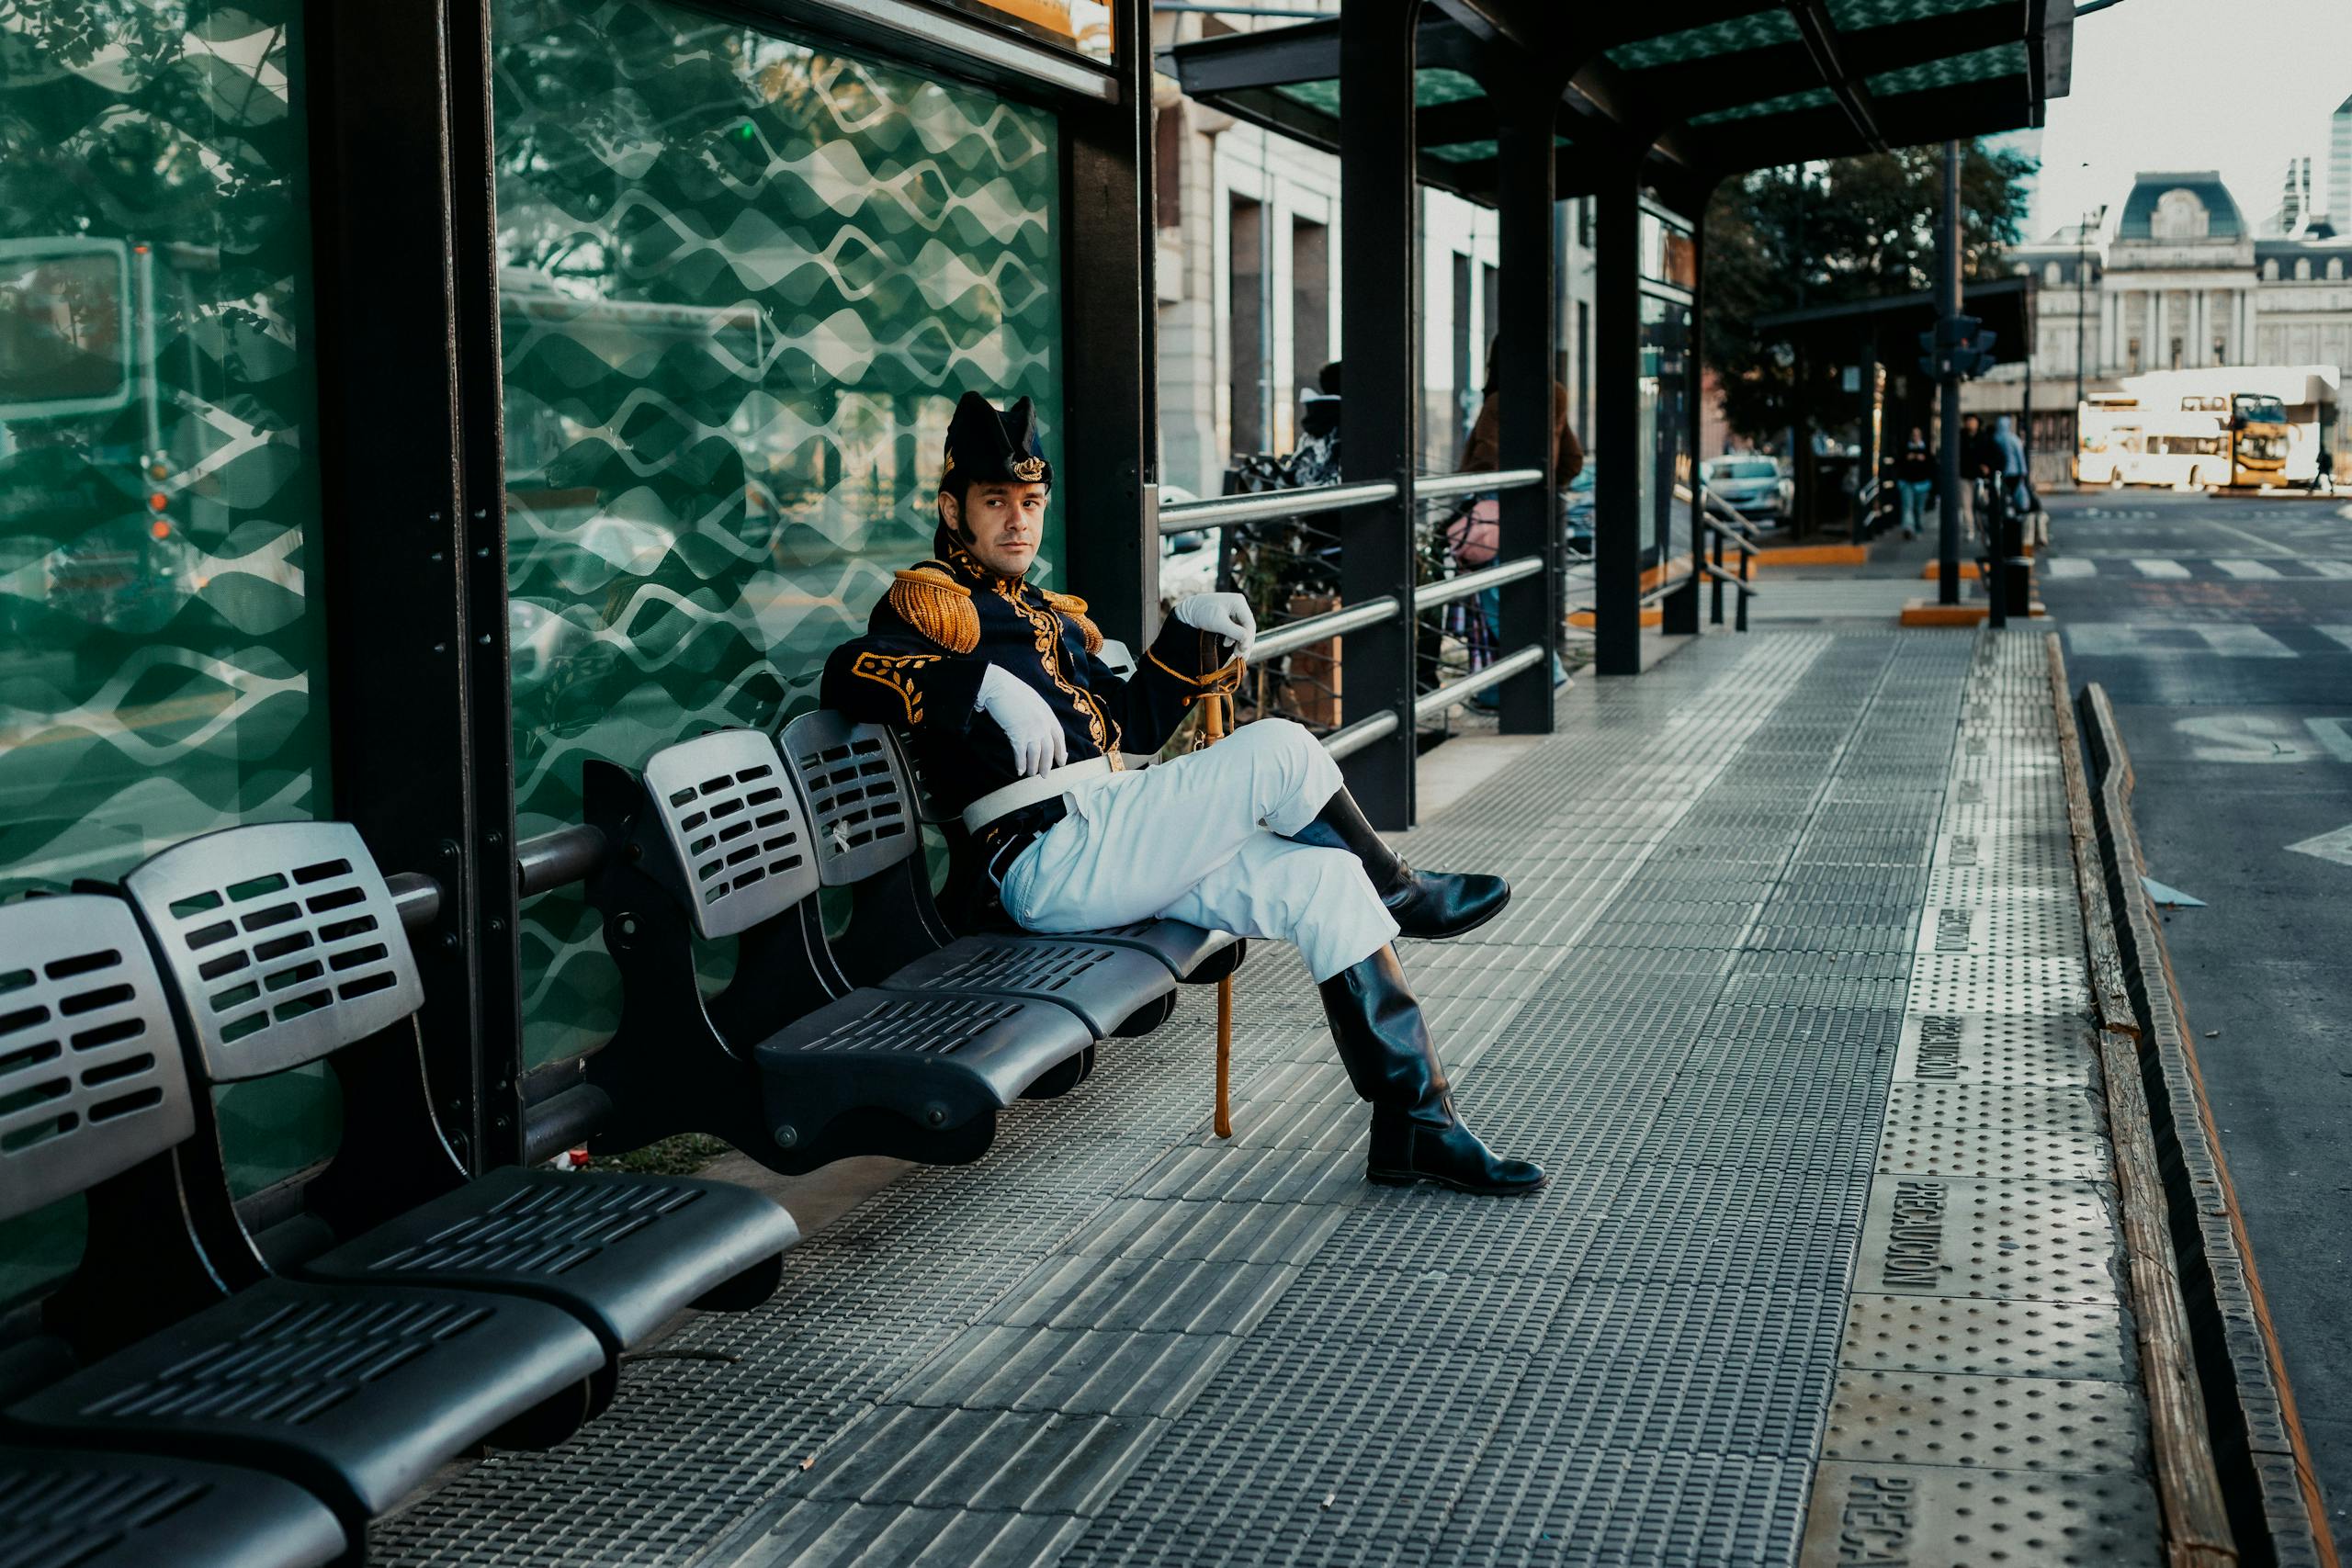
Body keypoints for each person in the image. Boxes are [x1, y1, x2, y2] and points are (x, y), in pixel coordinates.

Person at [820, 392, 1544, 1197]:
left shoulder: (1044, 615)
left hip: (1113, 838)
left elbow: (1128, 726)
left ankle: (1418, 1124)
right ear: (954, 509)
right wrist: (979, 682)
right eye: (996, 504)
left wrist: (1186, 633)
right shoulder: (927, 604)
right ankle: (1404, 889)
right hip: (1044, 858)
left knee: (1326, 880)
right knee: (1280, 747)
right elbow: (848, 672)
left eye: (1030, 504)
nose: (1018, 522)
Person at [1894, 427, 1933, 539]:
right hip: (1907, 482)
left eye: (1918, 434)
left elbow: (1931, 466)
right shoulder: (1905, 449)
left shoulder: (1926, 449)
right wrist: (1907, 458)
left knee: (1919, 509)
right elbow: (1899, 463)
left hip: (1922, 484)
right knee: (1908, 506)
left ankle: (1918, 528)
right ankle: (1908, 528)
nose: (1915, 437)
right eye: (1913, 434)